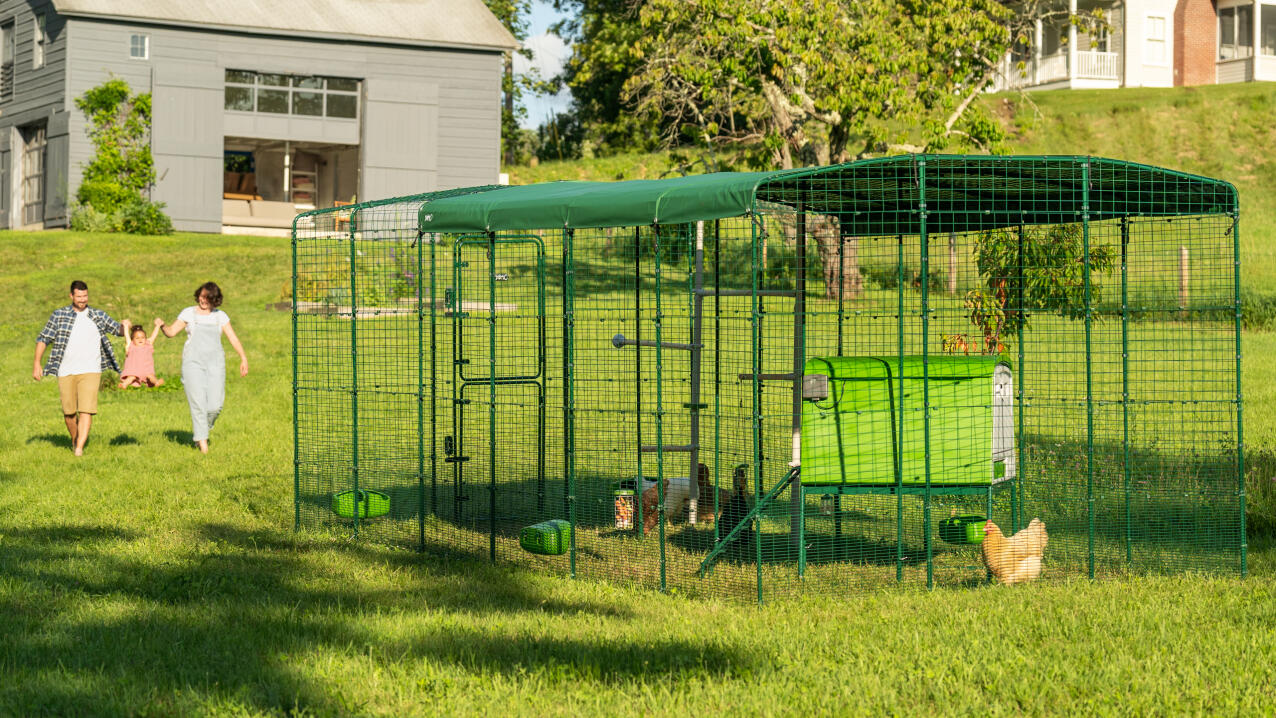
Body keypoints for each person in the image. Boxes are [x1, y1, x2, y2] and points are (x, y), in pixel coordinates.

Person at [33, 280, 131, 456]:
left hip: (91, 369)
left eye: (85, 296)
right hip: (66, 370)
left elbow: (118, 330)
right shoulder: (59, 315)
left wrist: (126, 326)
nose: (82, 299)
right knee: (69, 413)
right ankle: (75, 439)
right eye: (79, 296)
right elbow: (43, 338)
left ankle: (79, 448)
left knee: (86, 409)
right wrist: (36, 364)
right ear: (71, 296)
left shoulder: (97, 315)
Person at [155, 282, 248, 454]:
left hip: (215, 364)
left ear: (214, 299)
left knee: (215, 405)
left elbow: (233, 338)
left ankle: (204, 428)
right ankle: (202, 444)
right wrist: (162, 326)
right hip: (193, 364)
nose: (203, 300)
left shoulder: (221, 316)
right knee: (198, 404)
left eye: (207, 297)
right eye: (201, 296)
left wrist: (243, 358)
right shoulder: (188, 313)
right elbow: (171, 332)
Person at [119, 322, 165, 389]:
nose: (140, 339)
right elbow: (127, 336)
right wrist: (126, 326)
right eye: (137, 338)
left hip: (147, 370)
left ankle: (156, 382)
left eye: (142, 337)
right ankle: (124, 384)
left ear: (145, 339)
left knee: (151, 377)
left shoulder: (148, 344)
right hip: (134, 370)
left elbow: (153, 336)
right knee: (131, 377)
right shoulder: (131, 346)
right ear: (133, 339)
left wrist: (157, 326)